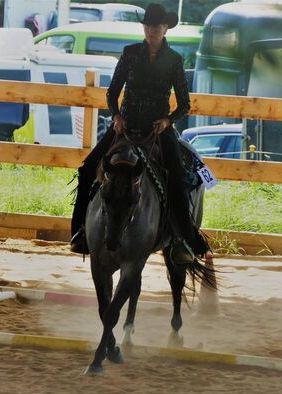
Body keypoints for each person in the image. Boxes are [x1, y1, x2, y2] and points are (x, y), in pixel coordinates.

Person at [70, 3, 209, 264]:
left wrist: (168, 121)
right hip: (126, 125)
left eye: (155, 26)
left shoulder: (174, 60)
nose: (150, 30)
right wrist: (116, 115)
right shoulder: (130, 53)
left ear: (165, 28)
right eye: (147, 25)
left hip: (157, 129)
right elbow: (112, 92)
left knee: (177, 176)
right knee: (87, 168)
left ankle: (183, 238)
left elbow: (184, 104)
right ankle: (80, 233)